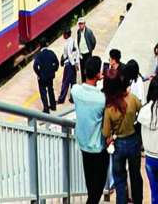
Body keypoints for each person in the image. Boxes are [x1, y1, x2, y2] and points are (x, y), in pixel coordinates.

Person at [103, 72, 143, 204]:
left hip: (118, 144)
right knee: (135, 175)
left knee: (119, 179)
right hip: (133, 140)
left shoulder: (109, 108)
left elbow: (105, 132)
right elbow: (141, 111)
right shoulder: (132, 98)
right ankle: (137, 200)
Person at [71, 56, 107, 204]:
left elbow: (76, 87)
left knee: (91, 185)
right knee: (97, 188)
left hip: (83, 145)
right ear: (98, 74)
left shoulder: (76, 91)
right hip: (98, 147)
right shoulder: (102, 99)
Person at [33, 39, 59, 113]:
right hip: (50, 76)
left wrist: (39, 74)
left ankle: (46, 109)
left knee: (43, 92)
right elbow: (57, 63)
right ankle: (53, 106)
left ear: (39, 46)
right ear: (46, 44)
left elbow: (35, 66)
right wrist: (54, 70)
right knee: (51, 90)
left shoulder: (39, 55)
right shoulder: (51, 53)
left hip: (42, 77)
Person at [58, 28, 79, 104]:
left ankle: (61, 99)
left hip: (69, 65)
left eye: (63, 34)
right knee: (73, 82)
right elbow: (77, 52)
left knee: (65, 82)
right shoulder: (73, 40)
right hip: (72, 64)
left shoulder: (69, 42)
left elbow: (70, 54)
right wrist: (76, 63)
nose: (63, 35)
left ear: (66, 35)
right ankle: (73, 98)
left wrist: (73, 64)